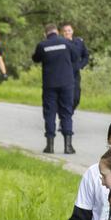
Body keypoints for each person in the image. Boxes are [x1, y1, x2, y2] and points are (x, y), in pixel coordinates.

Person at [33, 23, 79, 154]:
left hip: (50, 84)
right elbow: (76, 56)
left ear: (45, 34)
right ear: (57, 32)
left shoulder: (42, 45)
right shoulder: (65, 42)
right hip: (67, 84)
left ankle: (50, 146)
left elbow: (36, 58)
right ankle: (68, 146)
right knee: (66, 113)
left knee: (50, 113)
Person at [61, 22, 90, 110]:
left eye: (69, 30)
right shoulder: (61, 43)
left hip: (75, 74)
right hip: (63, 74)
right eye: (65, 31)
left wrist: (80, 65)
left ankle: (68, 114)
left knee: (76, 98)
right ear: (63, 33)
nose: (67, 32)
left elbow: (86, 56)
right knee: (65, 97)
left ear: (72, 31)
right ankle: (65, 117)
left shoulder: (79, 42)